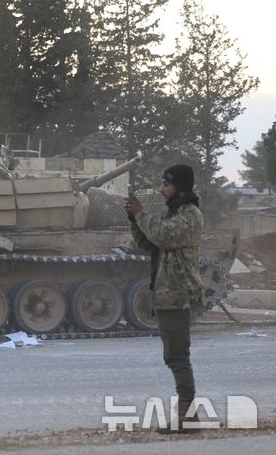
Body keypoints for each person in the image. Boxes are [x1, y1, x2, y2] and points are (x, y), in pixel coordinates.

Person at [125, 165, 203, 434]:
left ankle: (188, 417)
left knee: (177, 356)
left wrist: (141, 215)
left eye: (166, 185)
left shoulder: (190, 215)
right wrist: (135, 220)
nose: (162, 189)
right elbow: (149, 243)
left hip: (177, 294)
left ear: (180, 187)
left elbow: (165, 236)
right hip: (167, 293)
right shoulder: (173, 213)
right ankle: (187, 416)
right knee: (174, 356)